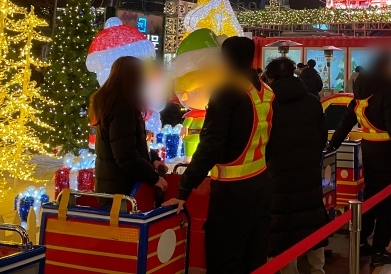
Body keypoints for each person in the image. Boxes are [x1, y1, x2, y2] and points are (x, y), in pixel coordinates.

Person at [164, 37, 274, 274]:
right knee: (255, 259)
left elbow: (210, 145)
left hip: (231, 194)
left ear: (225, 60)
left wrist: (184, 188)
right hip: (262, 186)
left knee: (224, 259)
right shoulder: (266, 91)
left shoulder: (226, 91)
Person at [328, 53, 391, 267]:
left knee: (370, 196)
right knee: (387, 201)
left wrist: (333, 144)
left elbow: (347, 120)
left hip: (368, 151)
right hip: (389, 153)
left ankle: (361, 241)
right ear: (386, 69)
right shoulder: (388, 93)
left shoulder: (361, 92)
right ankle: (379, 249)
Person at [263, 57, 328, 274]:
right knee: (312, 221)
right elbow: (322, 137)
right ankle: (318, 269)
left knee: (284, 230)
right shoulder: (312, 101)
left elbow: (265, 144)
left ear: (270, 78)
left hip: (279, 177)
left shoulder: (269, 105)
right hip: (309, 173)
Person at [90, 56, 168, 196]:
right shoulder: (122, 107)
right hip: (122, 189)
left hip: (113, 186)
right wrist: (153, 177)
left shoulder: (112, 103)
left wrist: (153, 158)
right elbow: (125, 156)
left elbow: (130, 143)